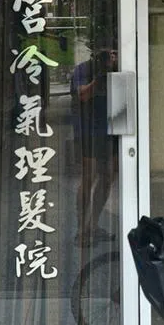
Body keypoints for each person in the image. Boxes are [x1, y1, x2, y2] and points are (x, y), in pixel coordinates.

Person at [71, 47, 118, 245]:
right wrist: (99, 78)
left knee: (107, 177)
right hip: (88, 130)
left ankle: (94, 225)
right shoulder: (84, 69)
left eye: (115, 53)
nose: (112, 57)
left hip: (111, 128)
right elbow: (81, 95)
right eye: (108, 53)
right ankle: (81, 229)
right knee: (88, 177)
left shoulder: (119, 68)